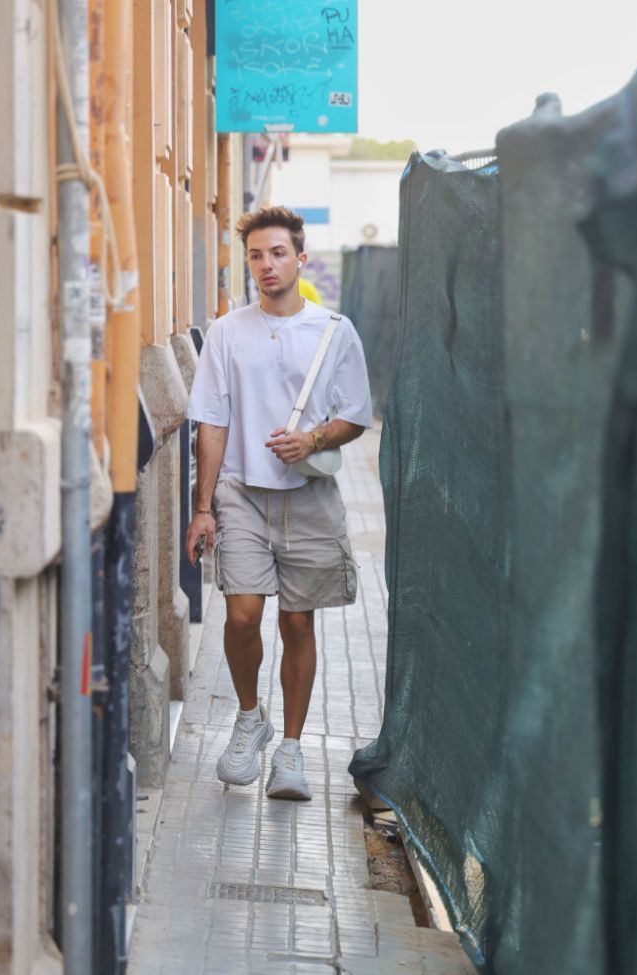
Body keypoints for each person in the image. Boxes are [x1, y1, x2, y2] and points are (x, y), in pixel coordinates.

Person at [185, 206, 372, 800]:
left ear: (300, 257)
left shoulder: (334, 331)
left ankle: (290, 750)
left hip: (309, 497)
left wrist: (312, 439)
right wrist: (203, 506)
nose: (267, 266)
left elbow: (355, 416)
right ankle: (249, 717)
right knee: (241, 616)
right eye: (256, 256)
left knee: (297, 621)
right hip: (241, 493)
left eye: (277, 254)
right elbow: (211, 422)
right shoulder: (227, 332)